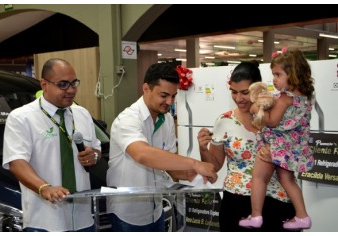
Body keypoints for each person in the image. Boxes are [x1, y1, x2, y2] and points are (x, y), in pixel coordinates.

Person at [106, 62, 218, 232]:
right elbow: (142, 154)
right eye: (164, 95)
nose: (169, 102)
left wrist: (190, 174)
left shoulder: (165, 120)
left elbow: (168, 163)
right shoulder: (127, 119)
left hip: (156, 210)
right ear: (146, 89)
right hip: (127, 214)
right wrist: (194, 164)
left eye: (174, 96)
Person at [198, 61, 298, 232]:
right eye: (233, 92)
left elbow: (297, 154)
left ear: (259, 89)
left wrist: (276, 153)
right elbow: (215, 166)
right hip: (236, 203)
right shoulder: (225, 121)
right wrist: (202, 149)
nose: (238, 99)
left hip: (276, 200)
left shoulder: (278, 113)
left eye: (245, 92)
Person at [2, 58, 101, 232]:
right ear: (44, 84)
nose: (71, 90)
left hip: (83, 218)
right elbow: (16, 162)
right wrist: (44, 188)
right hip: (45, 220)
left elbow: (96, 149)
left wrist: (93, 155)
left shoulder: (82, 114)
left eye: (74, 83)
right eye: (63, 84)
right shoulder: (22, 118)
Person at [239, 49, 314, 230]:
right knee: (288, 180)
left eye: (278, 75)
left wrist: (258, 111)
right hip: (292, 146)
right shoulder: (304, 97)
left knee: (258, 178)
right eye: (274, 75)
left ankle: (256, 215)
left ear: (294, 74)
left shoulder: (285, 98)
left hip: (276, 145)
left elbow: (272, 121)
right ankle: (302, 216)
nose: (274, 79)